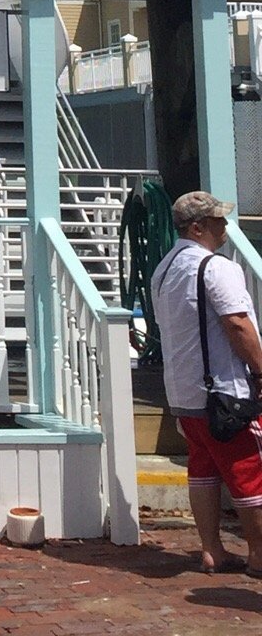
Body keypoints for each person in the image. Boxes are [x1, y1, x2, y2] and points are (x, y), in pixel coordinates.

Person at [151, 190, 262, 576]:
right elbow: (237, 323)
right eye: (217, 220)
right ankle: (260, 555)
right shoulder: (216, 267)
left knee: (203, 470)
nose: (225, 225)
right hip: (224, 392)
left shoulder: (163, 270)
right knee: (248, 470)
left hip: (184, 392)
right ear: (198, 228)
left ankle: (212, 550)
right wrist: (261, 370)